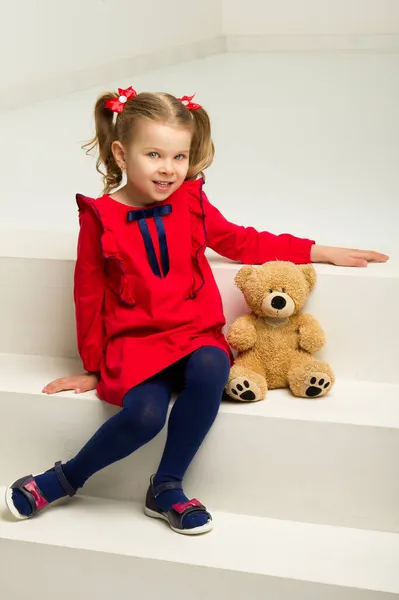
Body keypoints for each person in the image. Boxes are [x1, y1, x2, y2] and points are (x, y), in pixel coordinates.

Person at [5, 86, 388, 535]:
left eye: (179, 157)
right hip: (137, 344)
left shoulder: (191, 201)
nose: (168, 169)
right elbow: (87, 294)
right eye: (153, 154)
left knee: (212, 362)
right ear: (121, 153)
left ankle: (167, 486)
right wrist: (92, 366)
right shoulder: (99, 217)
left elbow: (242, 241)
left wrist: (316, 250)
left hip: (192, 335)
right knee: (145, 415)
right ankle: (63, 479)